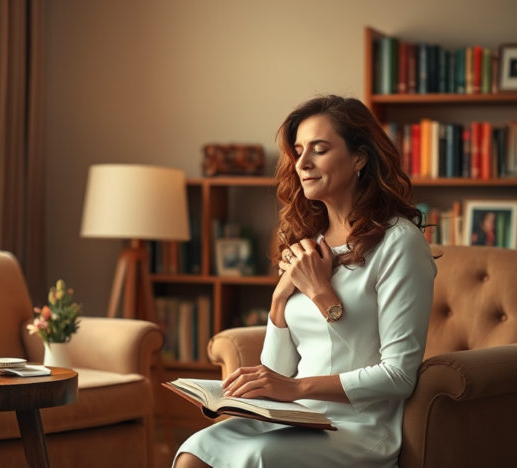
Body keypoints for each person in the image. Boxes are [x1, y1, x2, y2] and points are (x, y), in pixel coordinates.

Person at [173, 95, 437, 468]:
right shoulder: (308, 243)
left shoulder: (399, 243)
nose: (302, 164)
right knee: (195, 450)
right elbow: (277, 369)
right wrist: (279, 303)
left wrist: (320, 295)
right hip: (294, 417)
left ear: (360, 157)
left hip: (359, 426)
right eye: (298, 152)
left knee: (256, 456)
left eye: (320, 149)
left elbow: (397, 376)